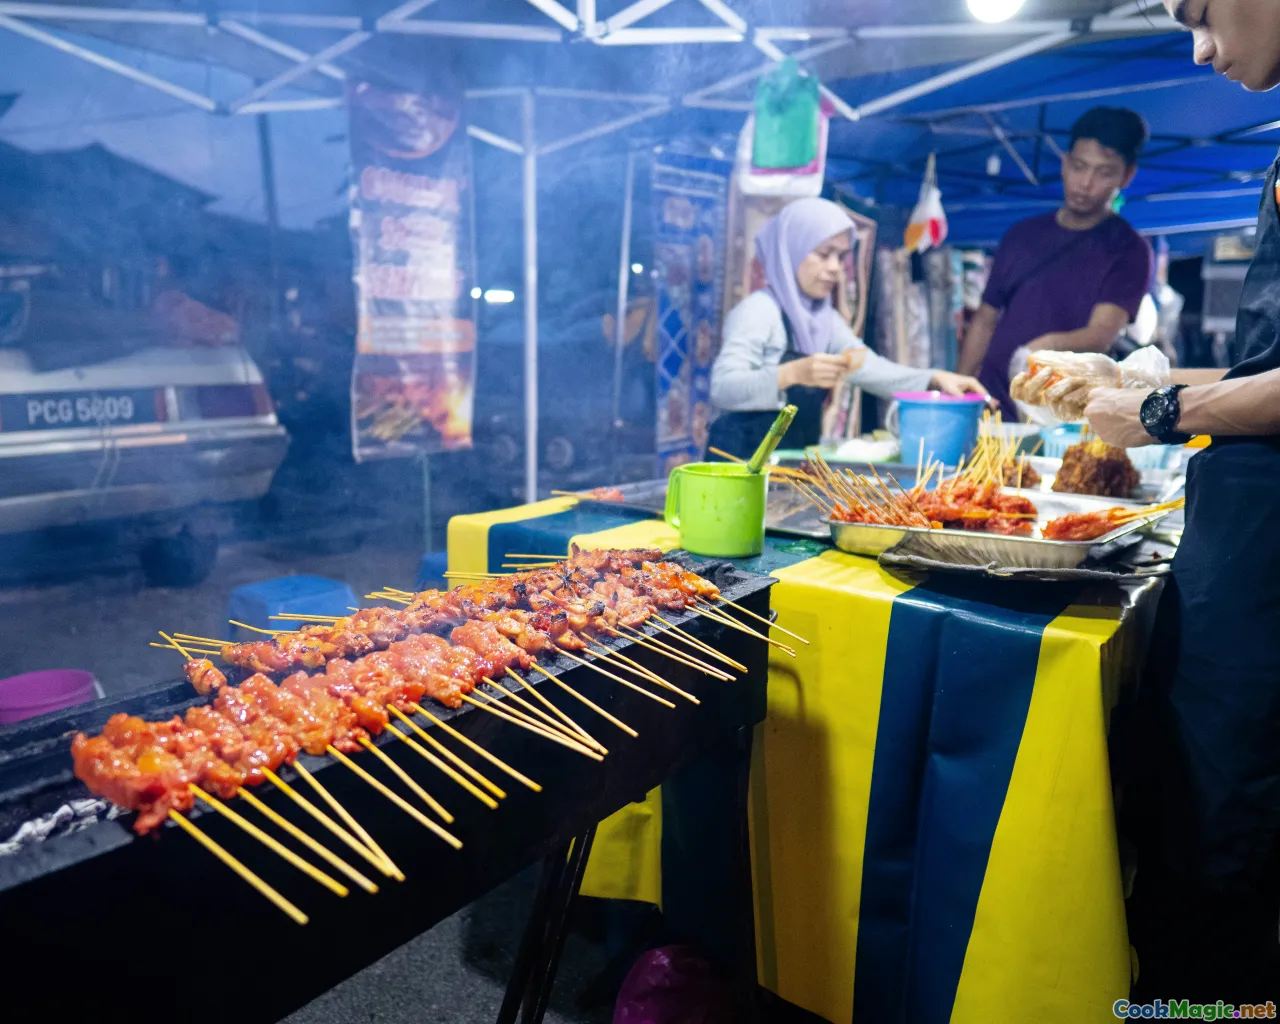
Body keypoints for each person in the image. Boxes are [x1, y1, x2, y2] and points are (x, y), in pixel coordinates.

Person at [1082, 0, 1280, 1000]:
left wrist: (1162, 409)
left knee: (1221, 837)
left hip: (1260, 581)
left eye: (1199, 12)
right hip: (1237, 554)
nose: (1197, 50)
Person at [708, 197, 986, 459]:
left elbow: (870, 368)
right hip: (737, 465)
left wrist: (934, 379)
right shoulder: (758, 311)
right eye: (824, 254)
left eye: (841, 257)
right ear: (790, 251)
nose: (835, 269)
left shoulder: (825, 319)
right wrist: (791, 373)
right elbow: (723, 388)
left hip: (787, 462)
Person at [957, 107, 1154, 417]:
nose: (1086, 183)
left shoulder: (1128, 250)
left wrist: (1041, 348)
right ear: (1063, 164)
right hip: (992, 404)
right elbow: (984, 319)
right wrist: (962, 386)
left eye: (1104, 172)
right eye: (1079, 167)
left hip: (1060, 414)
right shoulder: (1021, 236)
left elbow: (1101, 335)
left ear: (1127, 175)